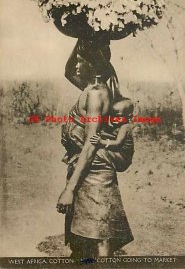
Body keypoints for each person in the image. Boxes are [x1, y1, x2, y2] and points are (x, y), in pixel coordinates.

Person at [57, 39, 134, 257]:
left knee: (100, 238)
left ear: (93, 62)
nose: (77, 65)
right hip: (86, 168)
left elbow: (91, 144)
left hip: (94, 171)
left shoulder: (96, 94)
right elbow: (68, 70)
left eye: (82, 60)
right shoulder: (91, 87)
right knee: (85, 239)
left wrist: (69, 189)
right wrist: (82, 36)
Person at [90, 95, 134, 172]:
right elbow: (112, 136)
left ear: (129, 116)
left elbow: (117, 143)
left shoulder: (125, 127)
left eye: (118, 117)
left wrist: (101, 142)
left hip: (122, 159)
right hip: (117, 155)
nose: (114, 119)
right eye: (112, 116)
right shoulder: (118, 125)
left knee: (97, 153)